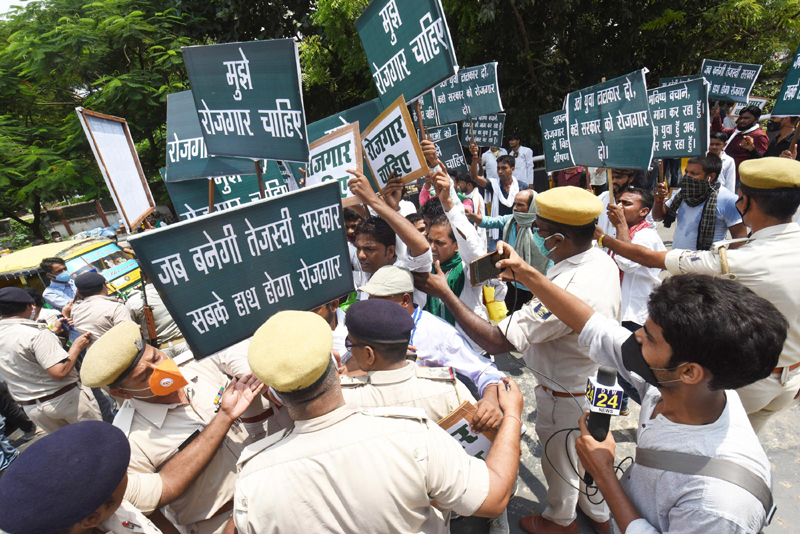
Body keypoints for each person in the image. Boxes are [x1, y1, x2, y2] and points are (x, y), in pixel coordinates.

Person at [493, 239, 783, 533]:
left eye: (651, 336)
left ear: (689, 372)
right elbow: (593, 325)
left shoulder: (719, 506)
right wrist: (526, 272)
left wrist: (604, 473)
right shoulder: (676, 385)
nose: (637, 336)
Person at [415, 187, 621, 534]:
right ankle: (598, 514)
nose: (536, 238)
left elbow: (497, 341)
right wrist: (523, 272)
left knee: (561, 460)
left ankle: (559, 521)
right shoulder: (598, 259)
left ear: (559, 238)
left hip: (566, 395)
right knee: (591, 456)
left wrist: (447, 295)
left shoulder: (571, 284)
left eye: (540, 232)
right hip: (597, 383)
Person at [234, 310, 523, 533]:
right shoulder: (410, 435)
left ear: (278, 393)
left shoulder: (251, 477)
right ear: (335, 360)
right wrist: (512, 413)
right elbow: (494, 497)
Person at [593, 157, 800, 434]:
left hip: (748, 382)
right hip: (790, 379)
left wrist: (604, 238)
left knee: (691, 443)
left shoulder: (739, 260)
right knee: (744, 447)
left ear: (746, 201)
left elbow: (649, 258)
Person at [79, 322, 268, 534]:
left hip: (270, 487)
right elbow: (147, 507)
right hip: (220, 523)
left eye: (156, 358)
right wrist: (223, 418)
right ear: (123, 394)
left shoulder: (197, 367)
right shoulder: (126, 440)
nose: (160, 370)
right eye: (144, 376)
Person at [358, 265, 507, 431]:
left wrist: (490, 399)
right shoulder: (368, 327)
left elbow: (485, 371)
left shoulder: (438, 334)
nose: (373, 310)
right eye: (371, 302)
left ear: (405, 300)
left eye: (380, 304)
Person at [0, 420, 164, 534]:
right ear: (92, 518)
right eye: (121, 474)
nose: (126, 475)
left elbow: (166, 486)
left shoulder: (91, 507)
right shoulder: (93, 503)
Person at [340, 298, 476, 420]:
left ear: (369, 355)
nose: (350, 350)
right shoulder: (450, 388)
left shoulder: (345, 399)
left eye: (350, 344)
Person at [596, 188, 666, 413]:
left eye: (626, 204)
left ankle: (659, 410)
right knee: (611, 366)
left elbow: (626, 262)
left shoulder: (645, 235)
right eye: (619, 202)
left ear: (644, 211)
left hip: (633, 314)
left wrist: (619, 226)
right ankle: (617, 408)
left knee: (629, 374)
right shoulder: (625, 230)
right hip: (618, 309)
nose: (619, 207)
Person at [0, 287, 101, 434]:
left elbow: (24, 354)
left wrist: (54, 333)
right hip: (65, 400)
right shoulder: (35, 334)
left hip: (33, 408)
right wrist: (77, 347)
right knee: (98, 439)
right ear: (29, 306)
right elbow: (59, 372)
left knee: (73, 449)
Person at [425, 169, 507, 340]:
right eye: (430, 240)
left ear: (456, 246)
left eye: (440, 243)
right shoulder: (425, 269)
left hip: (470, 349)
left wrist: (448, 202)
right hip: (437, 351)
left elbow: (471, 246)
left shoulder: (468, 268)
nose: (432, 247)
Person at [348, 169, 433, 308]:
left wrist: (374, 200)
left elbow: (422, 248)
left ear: (390, 252)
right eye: (358, 248)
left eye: (369, 249)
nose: (361, 255)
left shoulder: (405, 271)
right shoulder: (367, 270)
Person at [468, 189, 548, 313]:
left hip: (535, 285)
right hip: (513, 282)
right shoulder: (510, 220)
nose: (515, 208)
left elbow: (549, 258)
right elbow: (489, 221)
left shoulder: (541, 228)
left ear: (532, 207)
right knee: (512, 314)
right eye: (514, 204)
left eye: (520, 205)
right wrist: (471, 215)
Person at [652, 154, 747, 251]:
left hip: (706, 263)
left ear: (711, 177)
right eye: (686, 172)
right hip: (678, 261)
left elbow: (739, 240)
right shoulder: (683, 193)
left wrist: (718, 261)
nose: (687, 176)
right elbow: (658, 217)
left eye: (694, 173)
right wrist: (659, 200)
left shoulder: (728, 200)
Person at [469, 150, 529, 250]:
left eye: (504, 168)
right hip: (497, 234)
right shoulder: (493, 185)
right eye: (498, 168)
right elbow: (474, 177)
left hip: (517, 232)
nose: (500, 171)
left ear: (512, 169)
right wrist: (475, 158)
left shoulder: (522, 187)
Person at [125, 271, 188, 358]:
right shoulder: (177, 290)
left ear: (143, 275)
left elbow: (129, 328)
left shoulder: (133, 301)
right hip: (185, 344)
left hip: (159, 352)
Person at [69, 272, 133, 346]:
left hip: (94, 355)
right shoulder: (115, 308)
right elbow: (129, 336)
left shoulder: (75, 311)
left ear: (79, 293)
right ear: (105, 286)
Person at [711, 104, 768, 179]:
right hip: (726, 174)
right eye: (741, 118)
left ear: (756, 119)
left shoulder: (758, 136)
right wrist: (716, 117)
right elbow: (720, 134)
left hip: (741, 178)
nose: (742, 121)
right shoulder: (737, 131)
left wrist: (751, 149)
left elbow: (762, 161)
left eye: (746, 118)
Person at [455, 171, 488, 249]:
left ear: (469, 185)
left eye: (462, 183)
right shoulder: (463, 195)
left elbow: (476, 218)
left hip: (477, 234)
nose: (460, 185)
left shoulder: (476, 198)